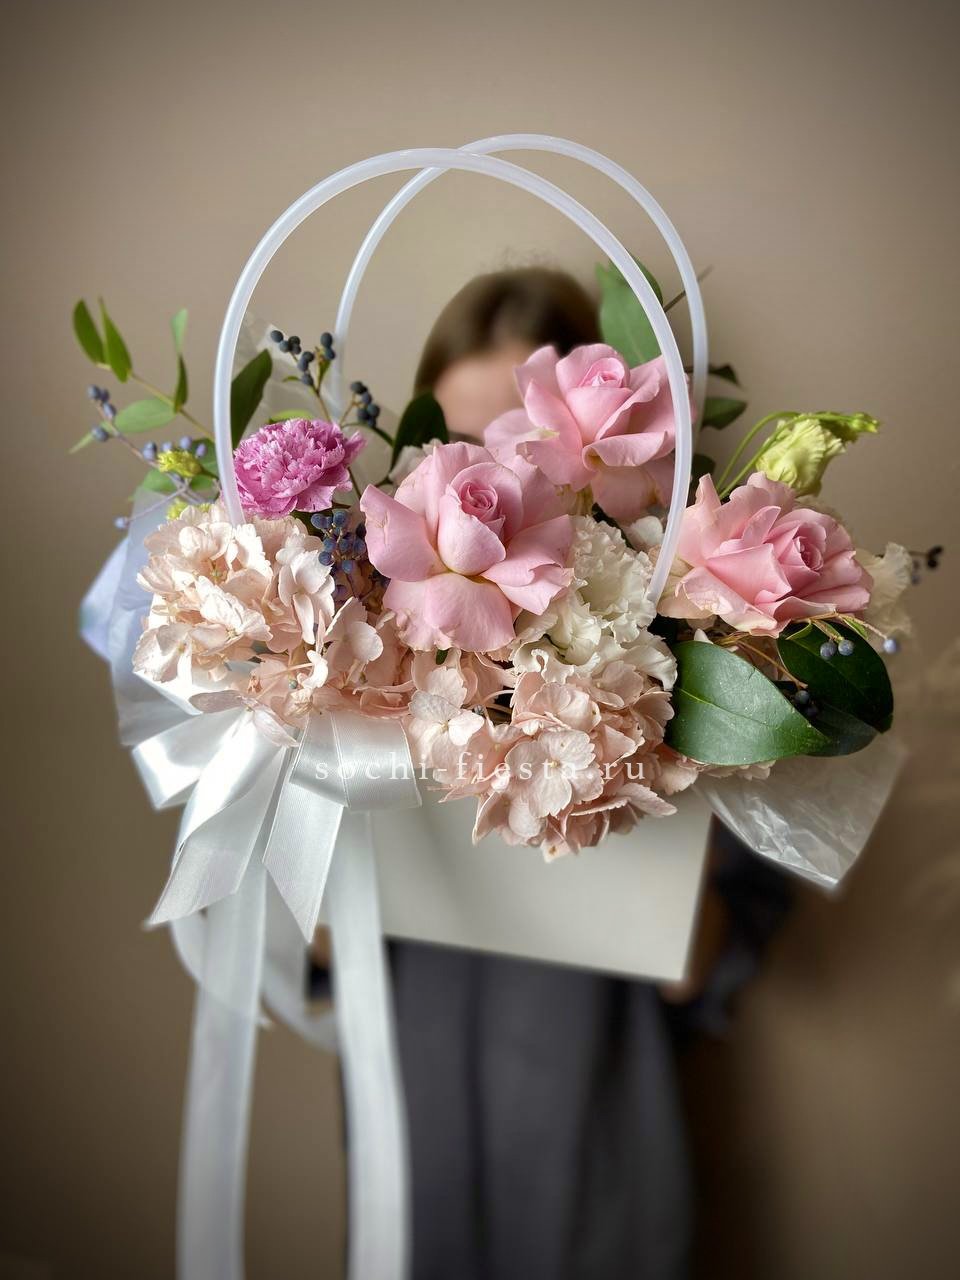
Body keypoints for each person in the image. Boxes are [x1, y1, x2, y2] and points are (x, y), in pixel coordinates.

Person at [316, 267, 792, 1280]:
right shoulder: (354, 667)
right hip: (412, 1132)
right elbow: (316, 947)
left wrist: (648, 768)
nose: (481, 500)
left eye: (516, 454)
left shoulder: (692, 670)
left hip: (600, 1139)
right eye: (451, 450)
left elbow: (707, 965)